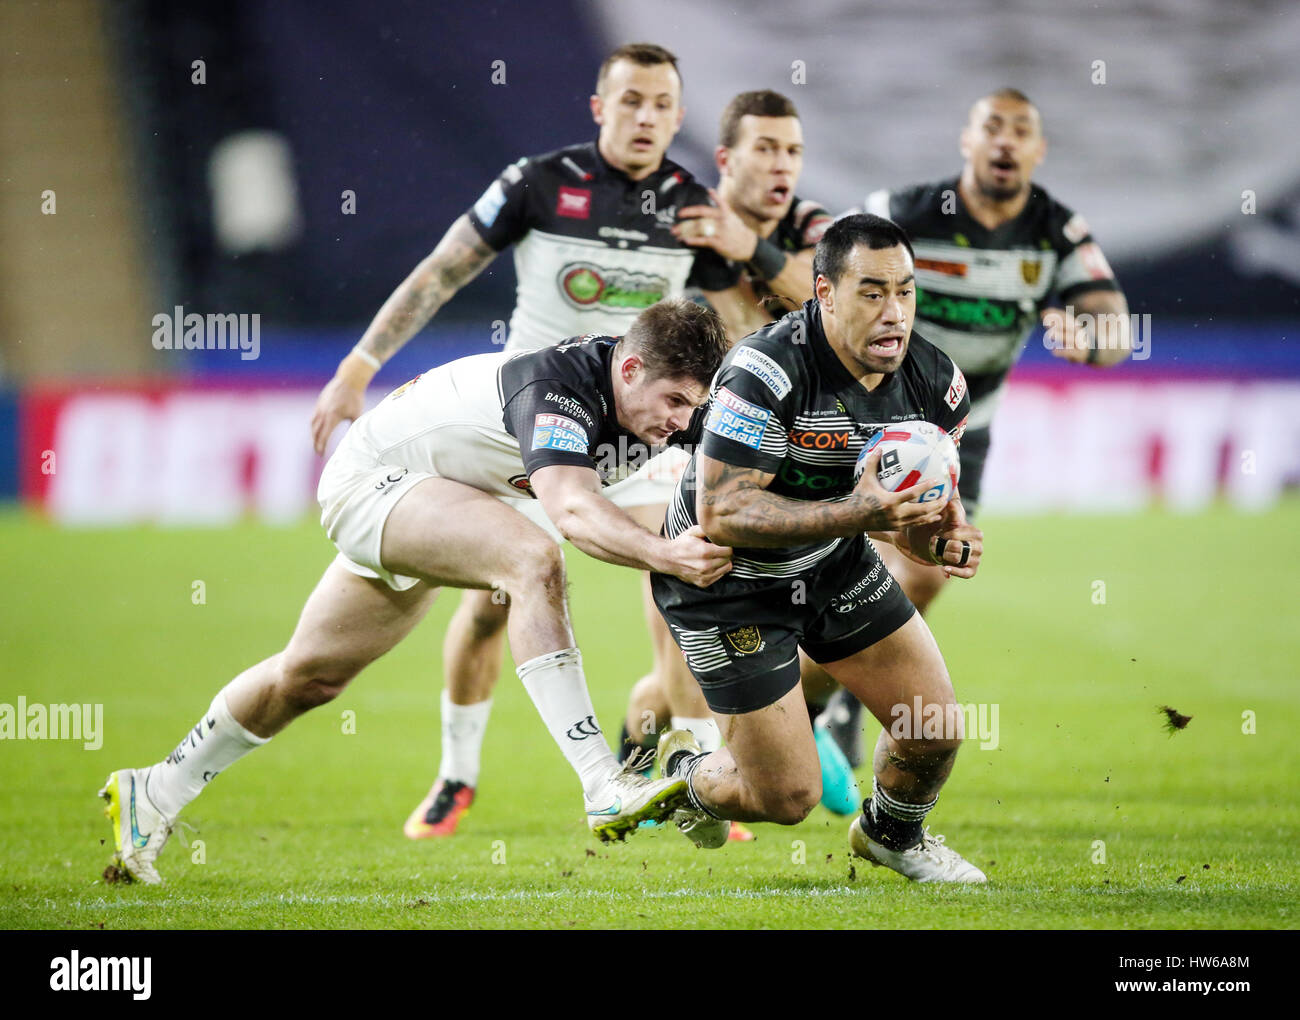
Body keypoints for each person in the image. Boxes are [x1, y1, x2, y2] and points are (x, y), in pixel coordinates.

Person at [100, 299, 733, 885]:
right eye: (673, 401)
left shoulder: (662, 413)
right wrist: (665, 554)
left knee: (308, 677)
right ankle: (601, 781)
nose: (679, 421)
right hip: (374, 481)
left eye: (690, 407)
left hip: (449, 492)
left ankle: (153, 791)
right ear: (628, 368)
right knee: (532, 559)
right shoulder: (557, 389)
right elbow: (570, 512)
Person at [308, 43, 740, 839]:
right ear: (599, 106)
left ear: (678, 117)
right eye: (630, 100)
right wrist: (360, 362)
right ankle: (457, 773)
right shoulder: (538, 183)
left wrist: (750, 253)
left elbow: (733, 323)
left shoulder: (695, 207)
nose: (645, 117)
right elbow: (444, 271)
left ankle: (697, 768)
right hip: (539, 428)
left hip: (651, 424)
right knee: (492, 603)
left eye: (660, 106)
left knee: (678, 586)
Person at [650, 215, 987, 882]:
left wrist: (939, 539)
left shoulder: (934, 383)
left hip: (831, 561)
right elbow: (722, 512)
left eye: (907, 291)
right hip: (728, 582)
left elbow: (907, 524)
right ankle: (688, 774)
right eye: (871, 293)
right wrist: (863, 511)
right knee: (788, 797)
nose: (895, 312)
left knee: (934, 727)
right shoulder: (766, 370)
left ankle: (892, 834)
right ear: (824, 293)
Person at [819, 88, 1133, 766]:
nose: (1006, 140)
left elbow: (1113, 323)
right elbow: (829, 251)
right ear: (968, 141)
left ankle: (836, 698)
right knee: (843, 564)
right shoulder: (908, 211)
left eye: (1022, 130)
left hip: (964, 426)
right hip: (878, 413)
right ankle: (811, 697)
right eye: (993, 126)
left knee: (927, 572)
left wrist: (1090, 336)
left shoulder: (1056, 230)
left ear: (1037, 150)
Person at [615, 89, 861, 819]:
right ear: (726, 159)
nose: (783, 164)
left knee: (701, 659)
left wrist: (749, 248)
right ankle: (696, 774)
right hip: (681, 440)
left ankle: (640, 751)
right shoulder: (679, 227)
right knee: (681, 560)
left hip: (786, 452)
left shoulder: (814, 228)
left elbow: (834, 311)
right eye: (766, 149)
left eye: (793, 150)